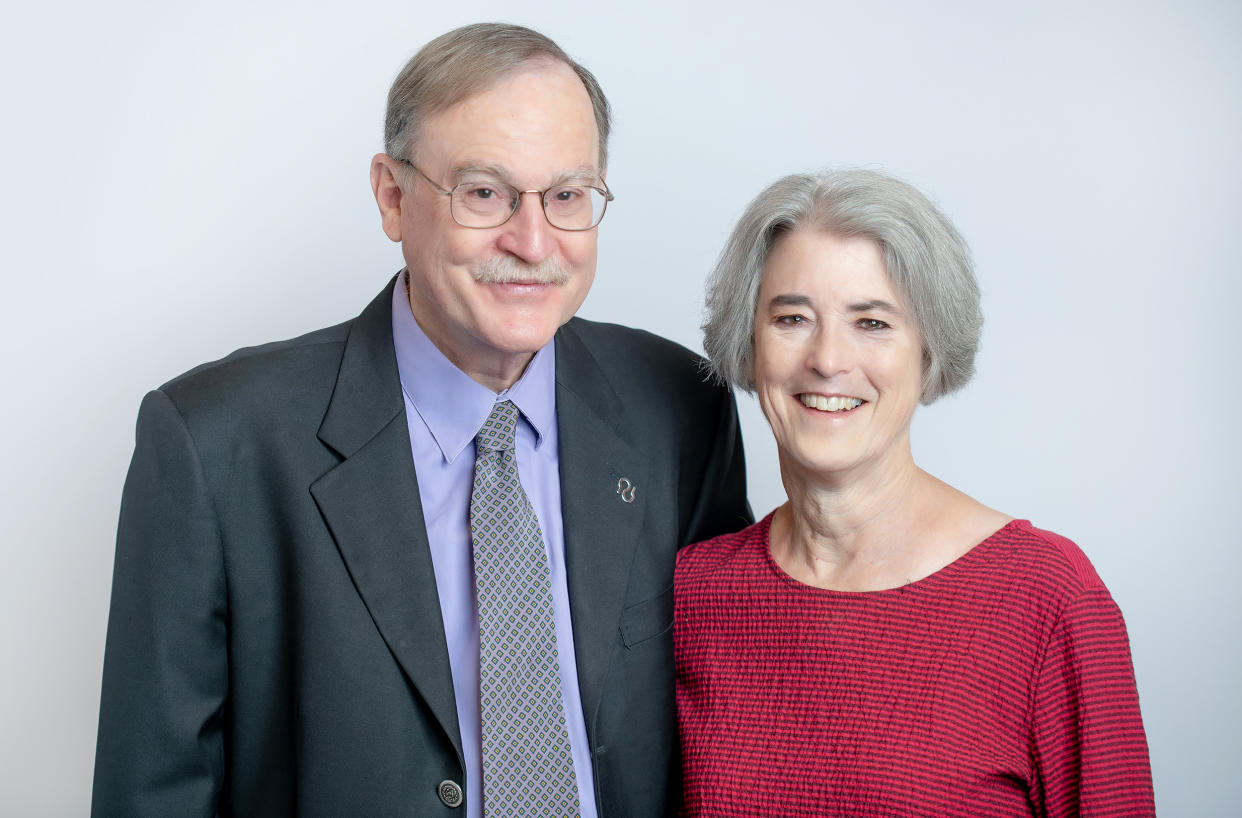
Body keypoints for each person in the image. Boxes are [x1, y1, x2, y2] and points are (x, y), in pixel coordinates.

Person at [92, 23, 750, 817]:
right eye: (484, 192)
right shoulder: (214, 443)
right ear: (392, 196)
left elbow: (732, 720)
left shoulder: (679, 404)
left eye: (568, 195)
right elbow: (152, 794)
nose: (533, 240)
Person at [676, 169, 1154, 816]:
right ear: (749, 343)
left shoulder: (1047, 598)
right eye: (792, 317)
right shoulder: (691, 593)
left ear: (929, 351)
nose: (827, 359)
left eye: (871, 323)